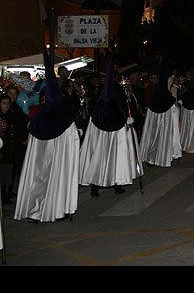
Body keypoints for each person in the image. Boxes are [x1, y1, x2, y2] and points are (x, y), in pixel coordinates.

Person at [14, 47, 80, 223]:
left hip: (40, 161)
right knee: (55, 180)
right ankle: (56, 207)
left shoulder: (39, 117)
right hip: (56, 159)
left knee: (39, 180)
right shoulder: (64, 117)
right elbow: (72, 140)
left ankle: (36, 209)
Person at [79, 55, 143, 197]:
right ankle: (107, 186)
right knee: (112, 158)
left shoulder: (101, 108)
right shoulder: (104, 106)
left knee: (102, 158)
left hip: (106, 137)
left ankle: (107, 186)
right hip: (107, 137)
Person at [139, 59, 181, 167]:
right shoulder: (152, 93)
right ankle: (156, 157)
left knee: (155, 138)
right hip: (158, 124)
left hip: (161, 123)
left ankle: (153, 157)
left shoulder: (160, 98)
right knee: (157, 138)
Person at [0, 94, 28, 204]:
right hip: (3, 148)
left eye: (8, 104)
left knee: (8, 172)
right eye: (4, 103)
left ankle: (7, 193)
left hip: (10, 148)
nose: (6, 106)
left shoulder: (13, 114)